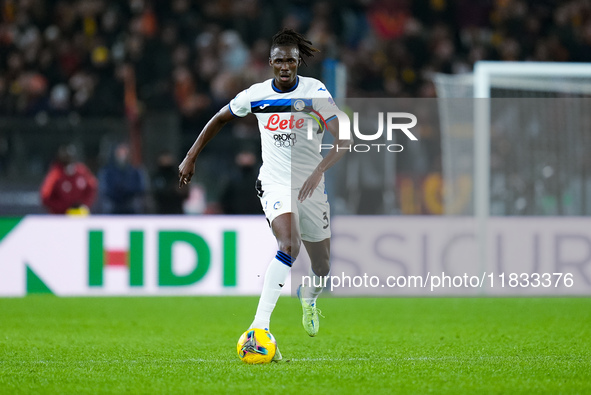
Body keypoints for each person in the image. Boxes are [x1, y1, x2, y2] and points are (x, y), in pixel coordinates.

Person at [178, 28, 352, 361]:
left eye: (291, 60)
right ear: (269, 63)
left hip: (310, 185)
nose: (285, 66)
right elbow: (219, 118)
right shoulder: (255, 95)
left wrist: (320, 169)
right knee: (289, 244)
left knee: (322, 267)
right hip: (274, 181)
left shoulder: (315, 92)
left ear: (298, 61)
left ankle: (308, 296)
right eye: (279, 61)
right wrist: (191, 155)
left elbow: (343, 137)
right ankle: (259, 327)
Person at [40, 144, 98, 214]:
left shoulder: (81, 171)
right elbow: (45, 196)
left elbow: (92, 186)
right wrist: (63, 207)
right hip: (60, 217)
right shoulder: (55, 174)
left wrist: (84, 203)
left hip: (79, 214)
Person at [98, 142, 146, 214]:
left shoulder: (136, 171)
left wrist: (128, 191)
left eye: (124, 153)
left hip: (131, 206)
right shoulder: (107, 172)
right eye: (120, 153)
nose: (122, 155)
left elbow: (141, 188)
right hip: (113, 207)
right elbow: (104, 189)